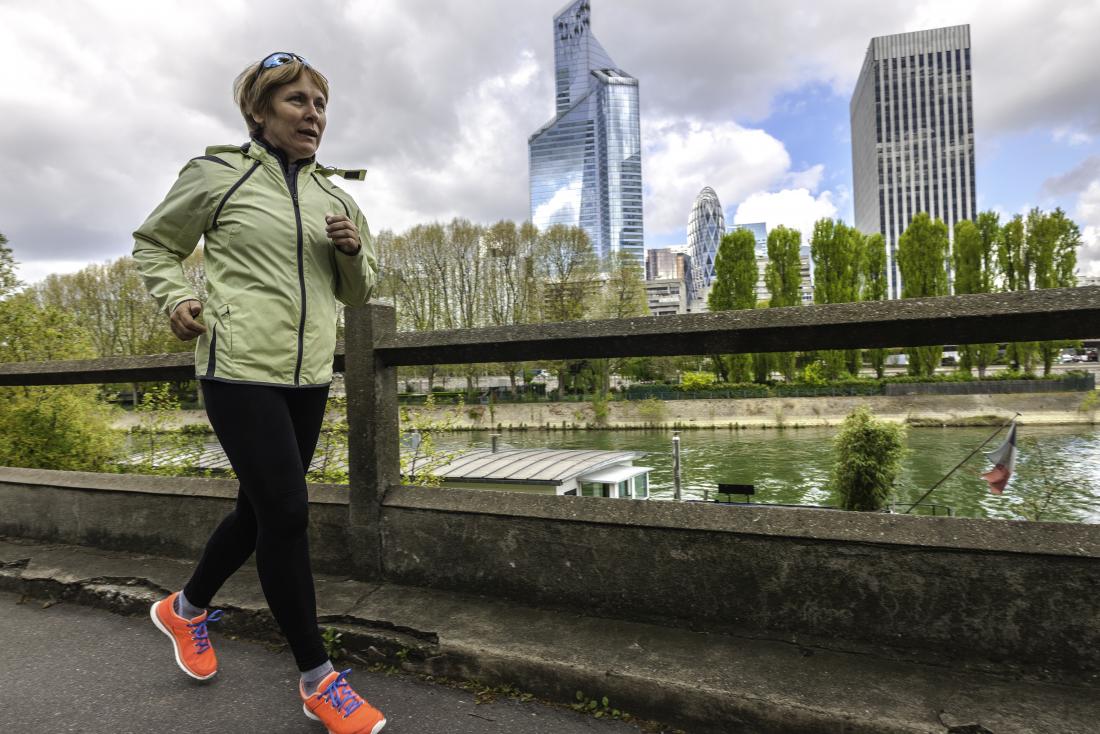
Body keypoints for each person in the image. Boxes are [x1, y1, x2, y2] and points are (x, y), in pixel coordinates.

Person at [133, 52, 385, 734]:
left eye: (320, 105)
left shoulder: (337, 197)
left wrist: (352, 251)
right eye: (298, 101)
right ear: (260, 111)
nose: (314, 115)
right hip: (238, 368)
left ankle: (184, 610)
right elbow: (154, 246)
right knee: (289, 513)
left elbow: (360, 295)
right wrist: (176, 298)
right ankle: (317, 679)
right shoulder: (218, 174)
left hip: (307, 376)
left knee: (259, 513)